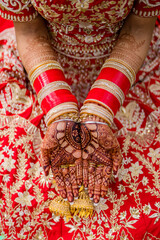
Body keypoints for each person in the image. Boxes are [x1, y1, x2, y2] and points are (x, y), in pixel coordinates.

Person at [0, 1, 160, 239]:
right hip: (38, 75)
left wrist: (100, 111)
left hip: (129, 74)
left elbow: (138, 26)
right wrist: (59, 111)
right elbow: (30, 30)